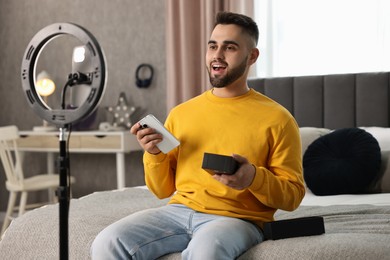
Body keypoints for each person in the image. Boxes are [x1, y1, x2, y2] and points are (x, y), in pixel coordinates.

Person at [91, 11, 305, 259]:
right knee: (107, 242)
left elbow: (292, 196)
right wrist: (153, 153)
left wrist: (253, 178)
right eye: (213, 45)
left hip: (238, 219)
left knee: (206, 251)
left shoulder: (278, 119)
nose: (217, 54)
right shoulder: (182, 113)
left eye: (230, 47)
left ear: (252, 56)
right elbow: (162, 190)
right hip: (178, 211)